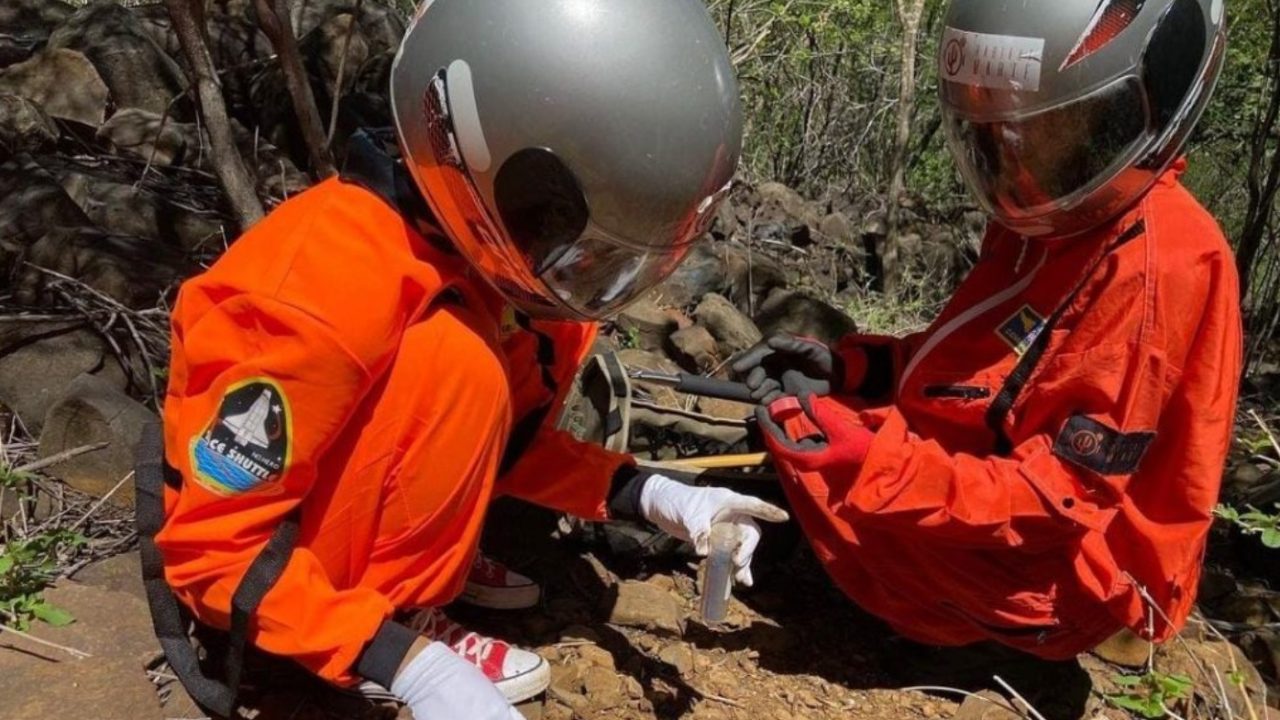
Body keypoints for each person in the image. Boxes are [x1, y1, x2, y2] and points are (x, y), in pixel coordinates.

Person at [149, 2, 787, 718]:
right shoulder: (319, 286)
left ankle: (416, 574)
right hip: (281, 586)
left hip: (345, 530)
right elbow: (213, 554)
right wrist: (403, 660)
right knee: (452, 359)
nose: (577, 267)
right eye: (556, 225)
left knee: (480, 355)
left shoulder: (503, 282)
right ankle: (387, 606)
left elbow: (504, 449)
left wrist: (658, 494)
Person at [735, 0, 1240, 660]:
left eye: (1051, 126)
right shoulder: (1053, 214)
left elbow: (1059, 502)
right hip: (1006, 508)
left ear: (1132, 107)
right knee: (802, 420)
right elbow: (985, 369)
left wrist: (870, 461)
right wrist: (856, 370)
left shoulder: (1156, 265)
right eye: (994, 133)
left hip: (1067, 578)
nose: (1015, 157)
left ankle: (936, 622)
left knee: (808, 453)